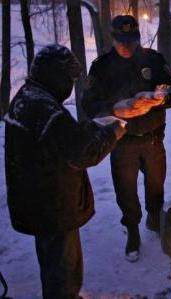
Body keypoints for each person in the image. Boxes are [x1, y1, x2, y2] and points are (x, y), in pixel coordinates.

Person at [5, 44, 127, 299]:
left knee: (53, 262)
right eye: (69, 79)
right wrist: (112, 132)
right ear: (55, 76)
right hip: (53, 205)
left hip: (37, 201)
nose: (71, 85)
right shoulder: (44, 109)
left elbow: (60, 140)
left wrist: (91, 127)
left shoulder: (27, 97)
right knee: (62, 267)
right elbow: (83, 152)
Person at [82, 15, 171, 262]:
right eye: (122, 41)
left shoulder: (153, 60)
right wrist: (115, 108)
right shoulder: (102, 67)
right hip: (121, 140)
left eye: (132, 40)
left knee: (156, 184)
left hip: (153, 138)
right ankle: (133, 229)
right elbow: (89, 104)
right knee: (125, 189)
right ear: (112, 38)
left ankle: (154, 218)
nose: (127, 46)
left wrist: (163, 96)